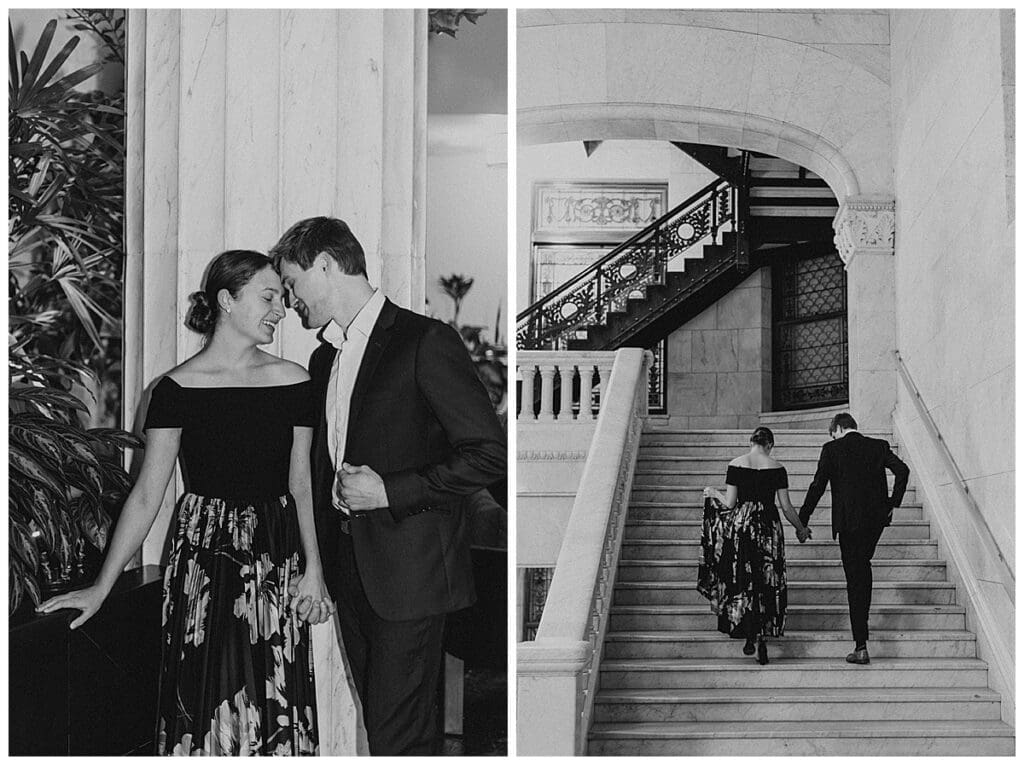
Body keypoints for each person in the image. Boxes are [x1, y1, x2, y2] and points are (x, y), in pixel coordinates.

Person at [36, 250, 333, 755]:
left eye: (282, 299)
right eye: (268, 297)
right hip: (204, 553)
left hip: (275, 551)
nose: (280, 310)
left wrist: (315, 570)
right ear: (226, 300)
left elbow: (302, 481)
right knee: (205, 693)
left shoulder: (296, 381)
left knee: (273, 693)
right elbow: (148, 493)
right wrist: (101, 587)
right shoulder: (172, 390)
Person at [270, 216, 506, 756]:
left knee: (398, 739)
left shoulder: (425, 341)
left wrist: (390, 491)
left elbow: (488, 453)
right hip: (351, 573)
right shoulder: (324, 356)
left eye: (292, 282)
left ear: (326, 265)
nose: (289, 299)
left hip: (412, 579)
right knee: (388, 735)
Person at [799, 412, 909, 665]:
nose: (834, 437)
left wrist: (803, 519)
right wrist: (893, 503)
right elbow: (902, 471)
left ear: (838, 428)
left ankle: (861, 645)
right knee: (863, 568)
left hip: (848, 523)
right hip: (874, 521)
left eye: (833, 433)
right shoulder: (878, 446)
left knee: (855, 577)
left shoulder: (831, 449)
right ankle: (862, 636)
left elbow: (817, 486)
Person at [699, 427, 811, 665]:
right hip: (769, 527)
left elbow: (729, 502)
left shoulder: (736, 464)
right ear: (770, 445)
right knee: (768, 580)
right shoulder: (778, 468)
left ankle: (748, 633)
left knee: (744, 579)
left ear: (751, 442)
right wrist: (801, 528)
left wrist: (713, 493)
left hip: (743, 526)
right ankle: (763, 635)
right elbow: (787, 507)